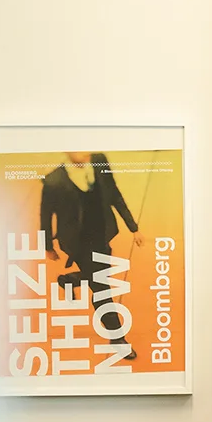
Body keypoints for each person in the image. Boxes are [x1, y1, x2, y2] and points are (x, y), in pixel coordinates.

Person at [39, 151, 143, 358]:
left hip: (102, 234)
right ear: (67, 152)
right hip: (77, 243)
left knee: (98, 277)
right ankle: (117, 337)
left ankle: (70, 279)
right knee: (102, 288)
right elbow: (45, 214)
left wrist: (133, 227)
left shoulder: (99, 162)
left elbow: (114, 193)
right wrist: (48, 245)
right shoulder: (54, 181)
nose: (85, 152)